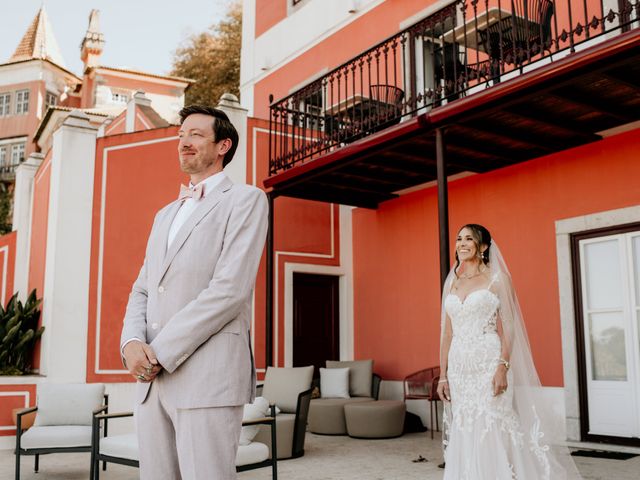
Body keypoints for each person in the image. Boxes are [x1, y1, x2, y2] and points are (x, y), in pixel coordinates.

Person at [120, 105, 268, 479]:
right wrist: (131, 343)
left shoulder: (247, 200)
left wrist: (159, 353)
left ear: (223, 146)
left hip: (208, 378)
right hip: (151, 385)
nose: (184, 142)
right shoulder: (164, 214)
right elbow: (142, 288)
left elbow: (229, 291)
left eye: (196, 135)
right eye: (181, 135)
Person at [437, 224, 582, 479]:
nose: (461, 243)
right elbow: (446, 333)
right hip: (460, 368)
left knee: (493, 422)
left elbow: (511, 327)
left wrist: (502, 366)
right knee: (465, 424)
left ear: (483, 247)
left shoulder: (498, 279)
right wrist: (443, 375)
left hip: (489, 362)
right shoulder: (452, 282)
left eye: (469, 238)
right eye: (459, 238)